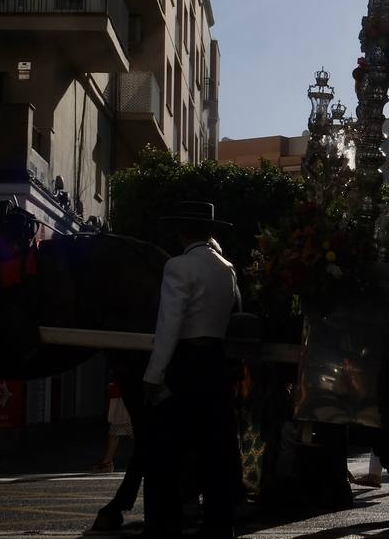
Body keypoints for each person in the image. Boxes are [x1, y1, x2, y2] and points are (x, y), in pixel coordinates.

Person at [143, 201, 242, 539]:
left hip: (186, 363)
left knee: (164, 448)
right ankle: (219, 522)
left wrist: (154, 375)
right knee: (215, 447)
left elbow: (169, 324)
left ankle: (163, 522)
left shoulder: (178, 266)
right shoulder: (227, 268)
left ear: (182, 232)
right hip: (215, 361)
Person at [95, 378, 132, 472]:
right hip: (121, 393)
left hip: (126, 394)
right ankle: (107, 462)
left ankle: (107, 462)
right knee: (115, 429)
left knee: (124, 425)